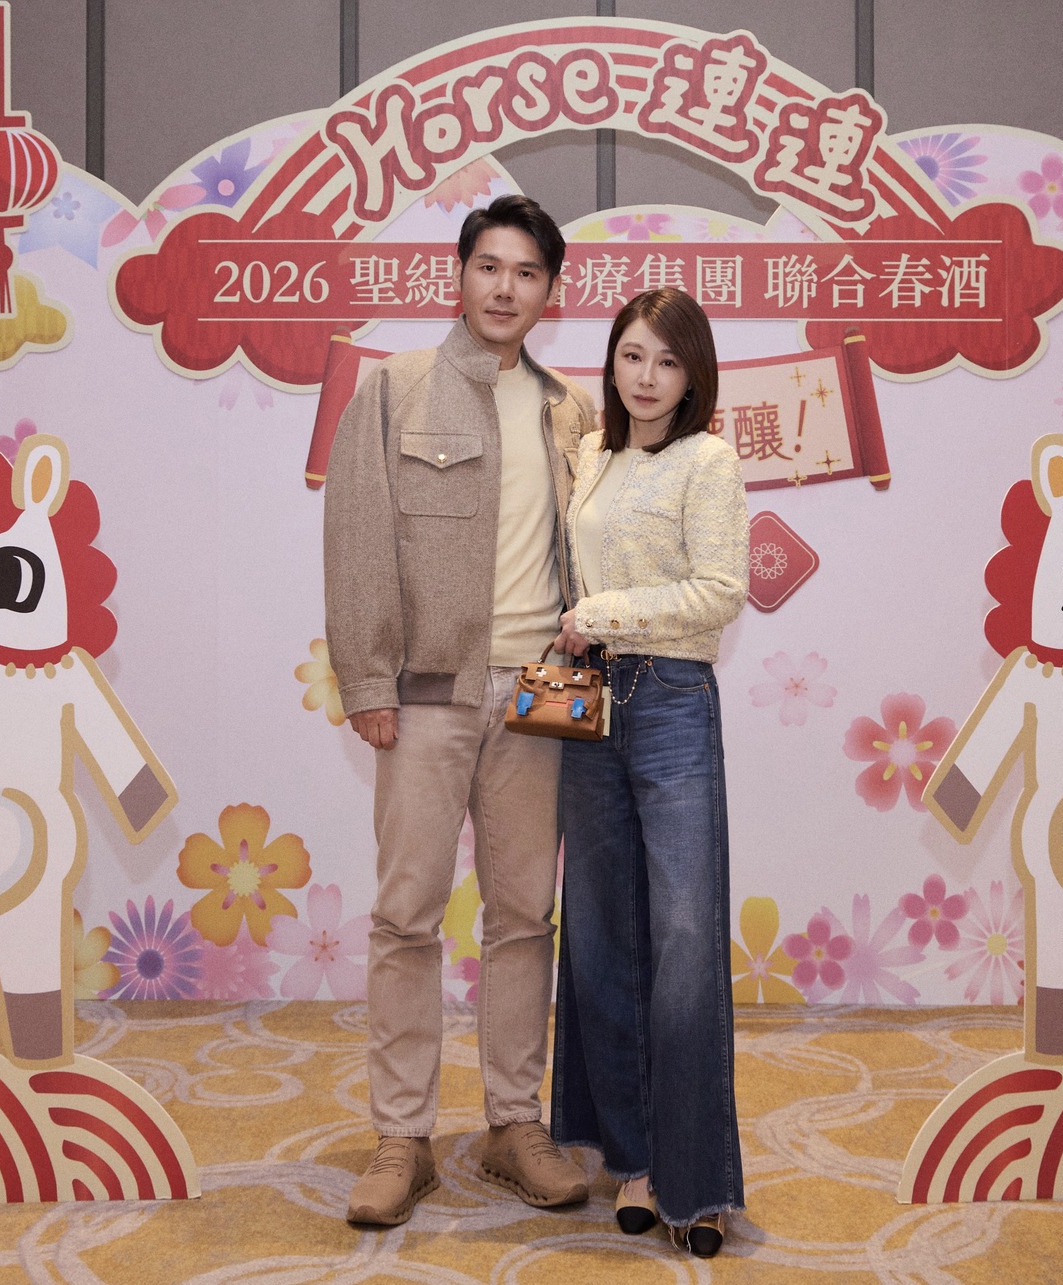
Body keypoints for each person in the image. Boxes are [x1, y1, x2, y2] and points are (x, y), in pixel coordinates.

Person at [323, 194, 597, 1226]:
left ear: (549, 291)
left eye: (526, 273)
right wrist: (367, 681)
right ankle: (402, 1137)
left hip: (545, 690)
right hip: (428, 693)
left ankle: (513, 1122)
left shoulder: (569, 410)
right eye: (489, 266)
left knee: (525, 915)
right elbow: (356, 538)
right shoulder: (394, 388)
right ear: (460, 273)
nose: (504, 288)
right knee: (406, 916)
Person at [548, 287, 749, 1258]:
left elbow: (720, 591)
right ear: (612, 360)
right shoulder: (592, 453)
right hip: (588, 705)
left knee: (682, 941)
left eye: (667, 361)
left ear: (692, 373)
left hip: (669, 698)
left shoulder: (709, 461)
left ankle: (696, 1180)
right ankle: (631, 1159)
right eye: (632, 355)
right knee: (600, 935)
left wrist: (601, 615)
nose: (646, 376)